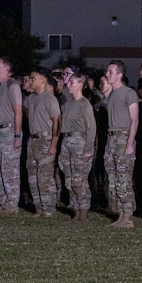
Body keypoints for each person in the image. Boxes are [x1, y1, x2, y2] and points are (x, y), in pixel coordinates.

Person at [100, 60, 140, 227]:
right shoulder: (111, 95)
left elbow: (134, 120)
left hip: (123, 137)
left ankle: (127, 215)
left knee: (123, 177)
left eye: (110, 72)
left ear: (119, 75)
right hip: (112, 138)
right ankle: (120, 212)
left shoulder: (128, 93)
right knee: (113, 176)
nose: (107, 74)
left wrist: (130, 143)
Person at [56, 71, 95, 219]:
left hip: (79, 142)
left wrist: (88, 149)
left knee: (79, 179)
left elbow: (91, 127)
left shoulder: (84, 104)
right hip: (67, 141)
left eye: (72, 82)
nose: (68, 84)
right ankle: (76, 208)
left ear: (80, 85)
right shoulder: (68, 103)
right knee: (69, 178)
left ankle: (83, 210)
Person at [21, 71, 60, 216]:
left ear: (43, 80)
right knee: (32, 175)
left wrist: (53, 144)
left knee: (45, 176)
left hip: (45, 139)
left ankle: (49, 208)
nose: (30, 81)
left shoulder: (50, 99)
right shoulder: (31, 99)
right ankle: (39, 207)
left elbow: (57, 122)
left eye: (33, 78)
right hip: (32, 139)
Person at [0, 59, 23, 213]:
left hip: (9, 130)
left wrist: (16, 135)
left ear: (7, 68)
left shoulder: (12, 85)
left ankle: (12, 203)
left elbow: (18, 112)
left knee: (9, 169)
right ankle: (3, 202)